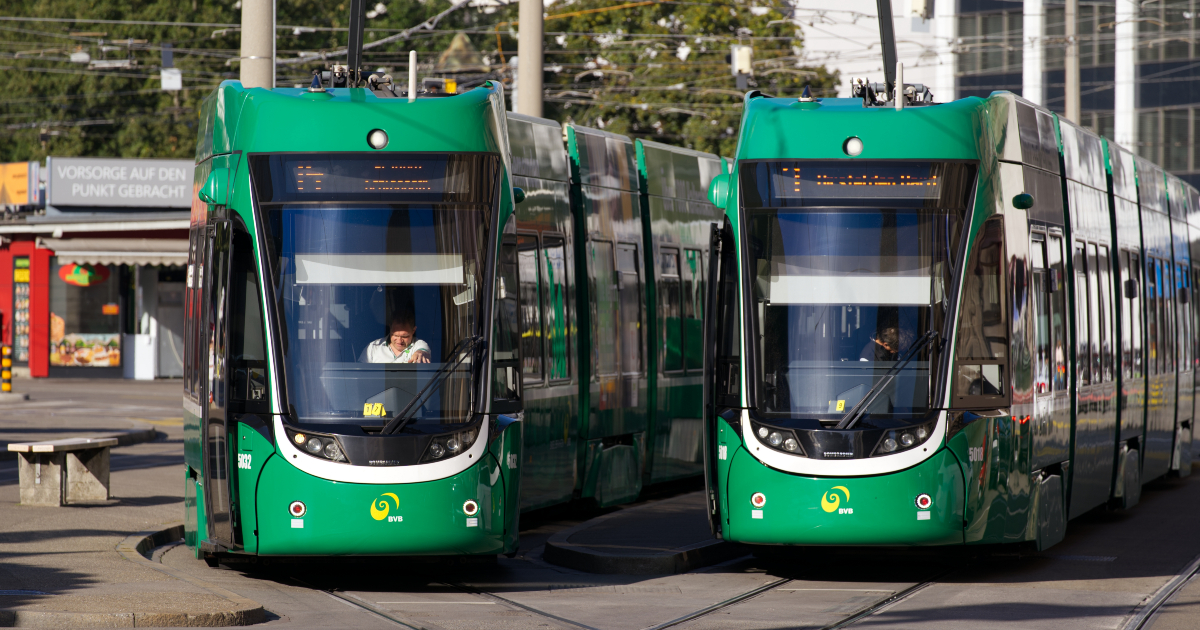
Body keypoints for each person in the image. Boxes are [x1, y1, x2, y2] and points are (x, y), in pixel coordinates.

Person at [361, 315, 430, 363]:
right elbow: (360, 373)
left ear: (413, 330)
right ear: (390, 328)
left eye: (405, 336)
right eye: (395, 335)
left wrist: (421, 353)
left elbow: (423, 351)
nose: (399, 341)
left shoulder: (419, 344)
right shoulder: (374, 347)